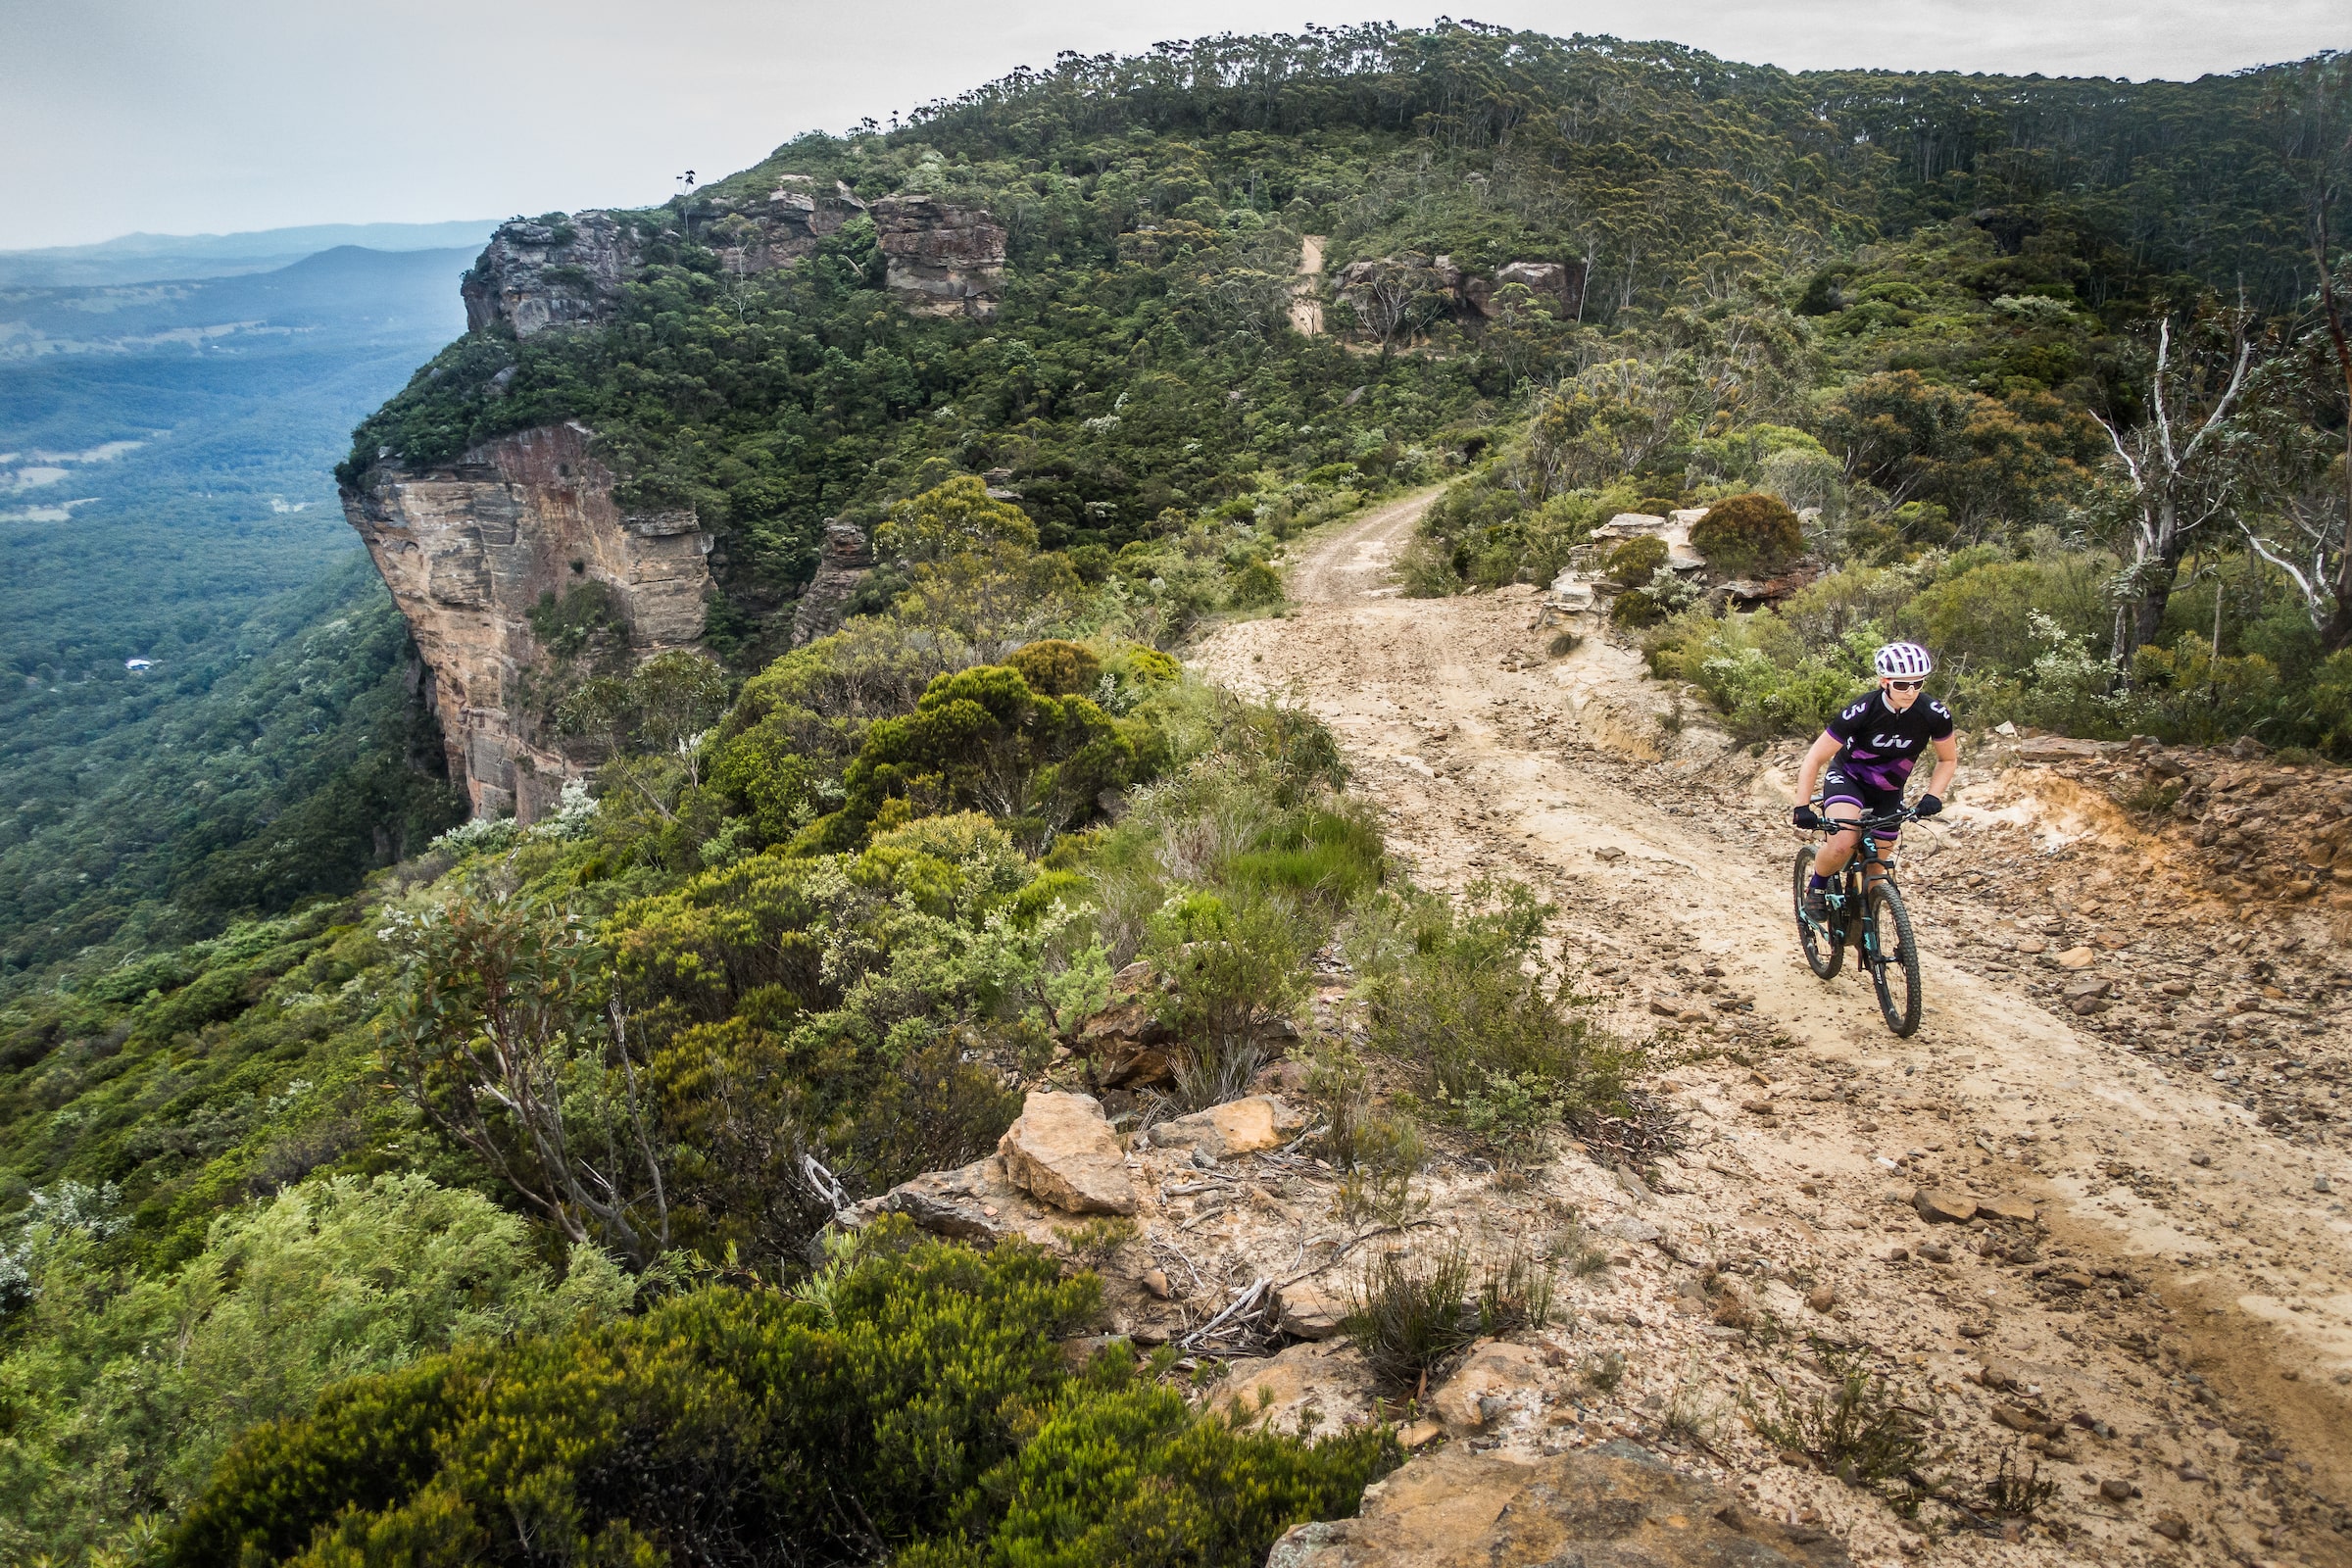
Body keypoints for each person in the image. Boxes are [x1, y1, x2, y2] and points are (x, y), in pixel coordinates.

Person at [1790, 641, 1958, 923]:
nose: (1911, 691)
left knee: (1877, 871)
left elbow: (1947, 760)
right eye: (1902, 685)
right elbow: (1814, 758)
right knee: (1842, 844)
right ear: (1885, 682)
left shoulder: (1933, 714)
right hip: (1849, 778)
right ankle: (1817, 886)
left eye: (1918, 683)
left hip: (1889, 790)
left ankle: (1865, 928)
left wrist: (1934, 796)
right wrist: (1802, 806)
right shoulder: (1862, 710)